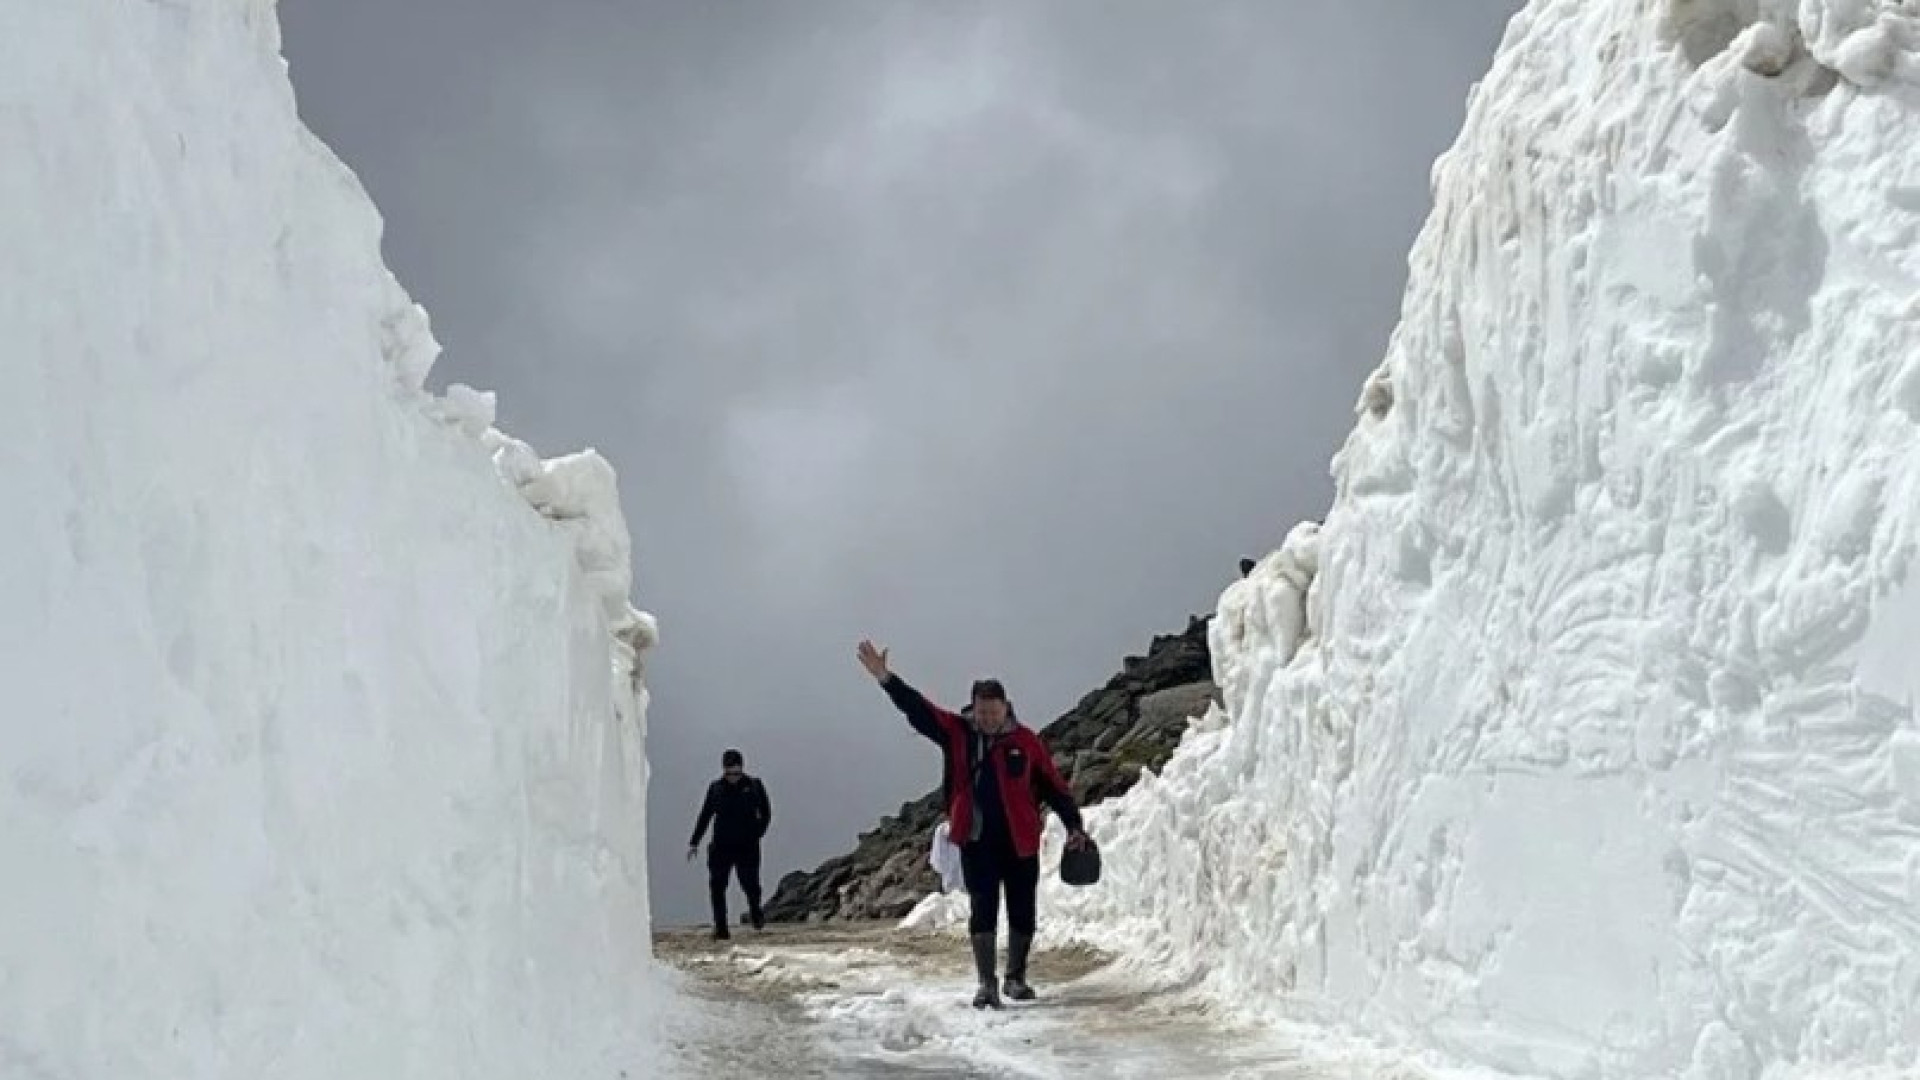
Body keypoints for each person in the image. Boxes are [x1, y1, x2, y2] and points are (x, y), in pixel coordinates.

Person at [856, 639, 1090, 1008]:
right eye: (981, 712)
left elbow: (1053, 785)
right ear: (973, 708)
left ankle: (1016, 978)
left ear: (1005, 708)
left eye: (993, 713)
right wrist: (885, 678)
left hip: (1021, 840)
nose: (987, 719)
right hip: (977, 839)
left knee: (1022, 907)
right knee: (983, 907)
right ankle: (987, 983)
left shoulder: (1026, 741)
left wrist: (1074, 824)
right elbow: (919, 710)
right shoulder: (957, 733)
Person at [686, 748, 772, 940]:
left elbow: (766, 812)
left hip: (747, 846)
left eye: (737, 773)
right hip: (721, 846)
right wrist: (694, 841)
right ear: (723, 770)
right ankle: (721, 928)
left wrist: (758, 832)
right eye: (730, 773)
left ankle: (756, 912)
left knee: (750, 885)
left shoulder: (754, 786)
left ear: (742, 769)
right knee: (717, 887)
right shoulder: (715, 788)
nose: (733, 777)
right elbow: (705, 815)